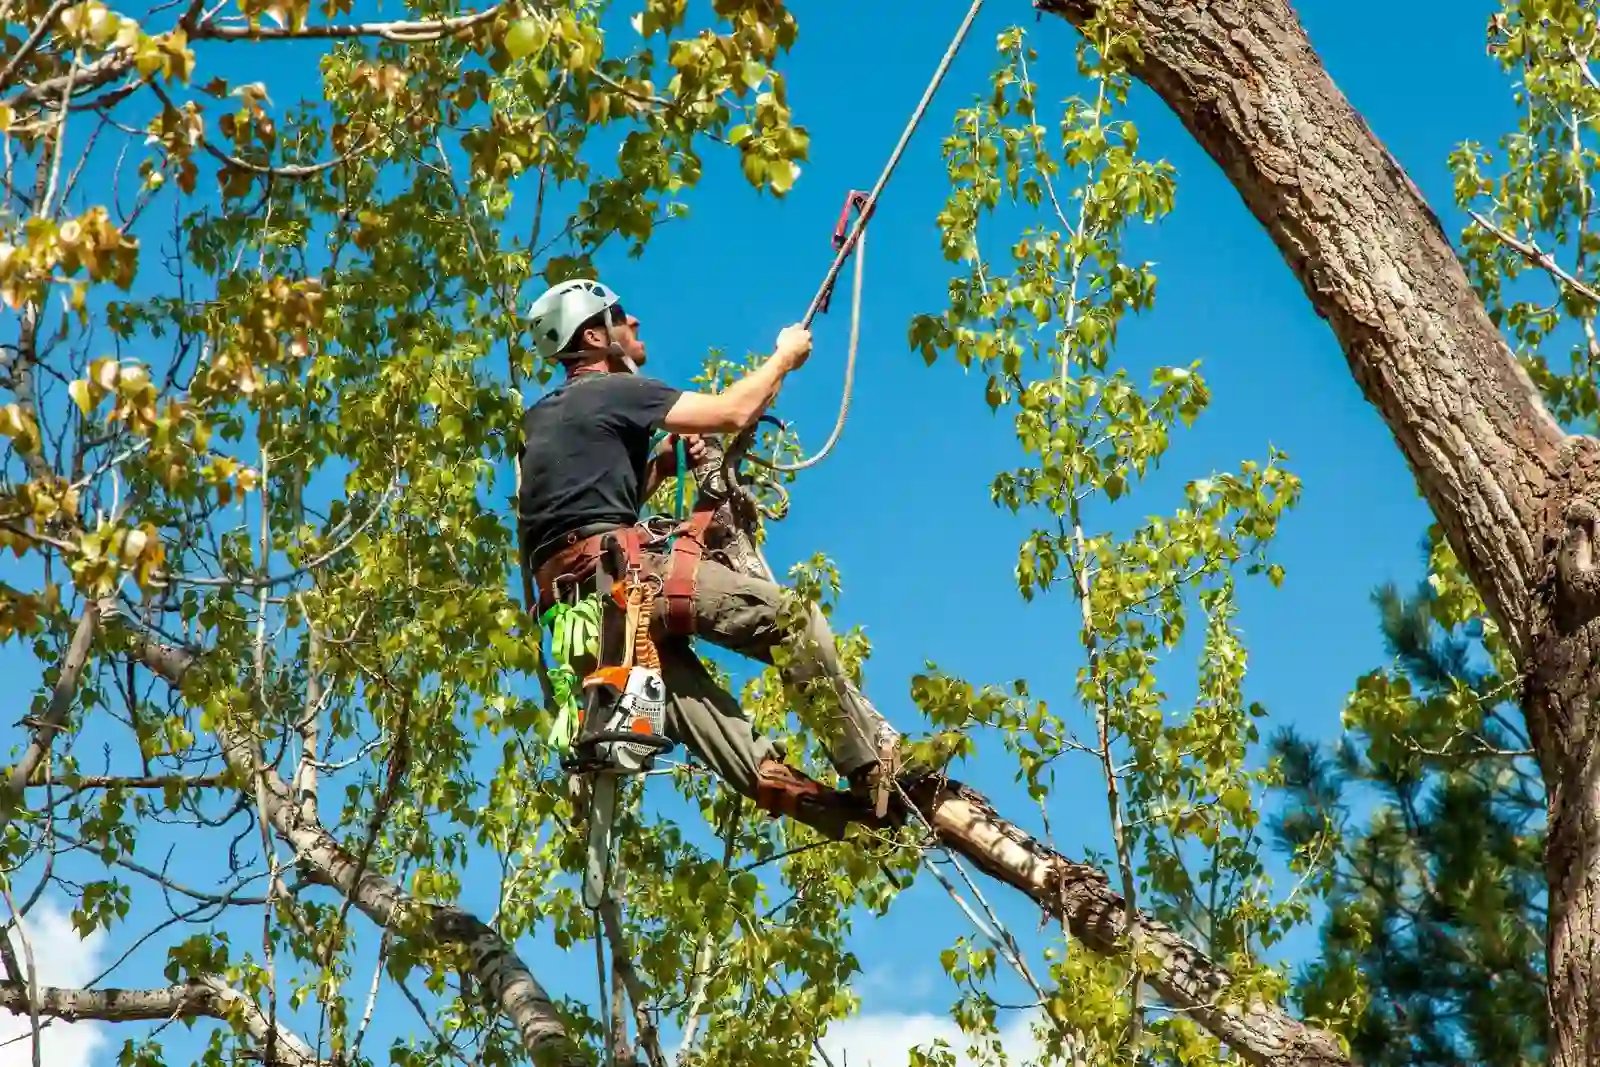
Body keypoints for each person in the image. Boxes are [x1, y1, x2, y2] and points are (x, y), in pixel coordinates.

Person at [516, 278, 919, 836]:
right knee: (793, 621)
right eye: (620, 316)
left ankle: (801, 798)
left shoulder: (542, 421)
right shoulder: (617, 392)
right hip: (629, 581)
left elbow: (582, 507)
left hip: (582, 625)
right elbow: (733, 411)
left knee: (699, 712)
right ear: (593, 335)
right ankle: (870, 769)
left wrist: (661, 461)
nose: (632, 324)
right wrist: (785, 356)